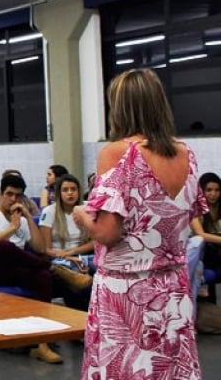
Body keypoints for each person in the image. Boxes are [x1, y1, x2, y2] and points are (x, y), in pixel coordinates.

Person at [73, 68, 206, 379]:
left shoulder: (118, 153)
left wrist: (81, 216)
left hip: (126, 292)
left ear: (120, 107)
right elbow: (186, 217)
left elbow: (107, 232)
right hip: (172, 289)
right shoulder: (187, 155)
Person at [0, 173, 77, 364]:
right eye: (9, 194)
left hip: (17, 270)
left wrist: (28, 217)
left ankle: (42, 343)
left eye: (18, 196)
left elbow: (38, 247)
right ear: (0, 193)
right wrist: (12, 228)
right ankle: (56, 267)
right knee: (5, 246)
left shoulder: (20, 219)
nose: (13, 199)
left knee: (44, 276)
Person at [38, 174, 93, 308]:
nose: (70, 193)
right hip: (59, 258)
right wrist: (69, 256)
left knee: (99, 270)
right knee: (75, 286)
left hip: (82, 255)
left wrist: (74, 252)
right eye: (65, 190)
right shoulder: (49, 212)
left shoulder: (86, 208)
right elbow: (46, 249)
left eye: (73, 189)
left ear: (79, 191)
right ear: (59, 193)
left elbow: (95, 242)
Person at [191, 172, 221, 272]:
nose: (213, 194)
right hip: (203, 255)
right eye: (209, 190)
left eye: (217, 190)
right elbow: (200, 235)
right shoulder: (195, 209)